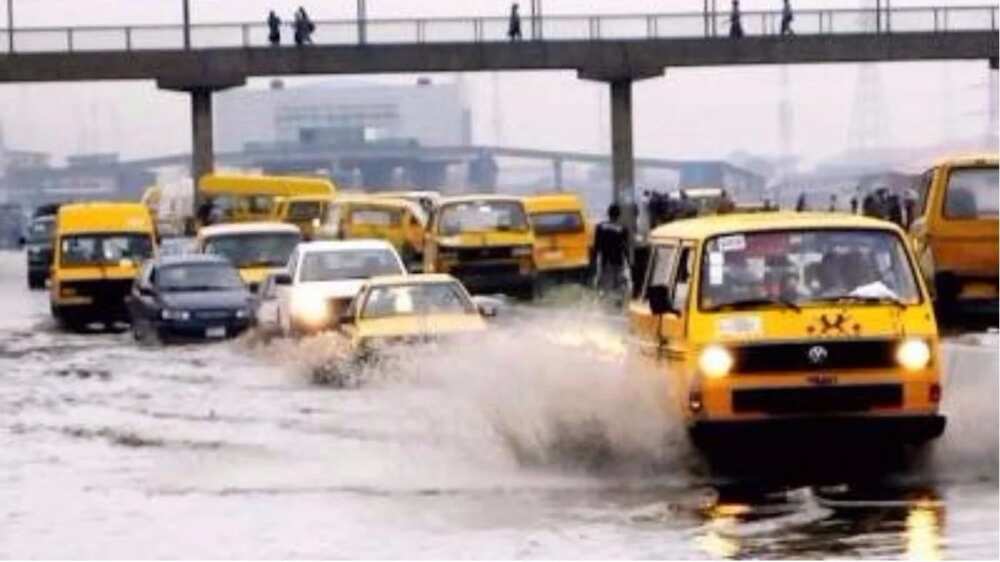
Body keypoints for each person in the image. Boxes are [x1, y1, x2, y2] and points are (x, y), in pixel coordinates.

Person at [593, 203, 630, 299]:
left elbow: (596, 246)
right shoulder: (623, 228)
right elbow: (625, 247)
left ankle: (602, 301)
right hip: (618, 261)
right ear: (619, 215)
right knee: (618, 284)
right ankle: (618, 303)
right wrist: (629, 261)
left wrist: (593, 260)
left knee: (603, 284)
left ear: (608, 213)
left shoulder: (600, 227)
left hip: (604, 261)